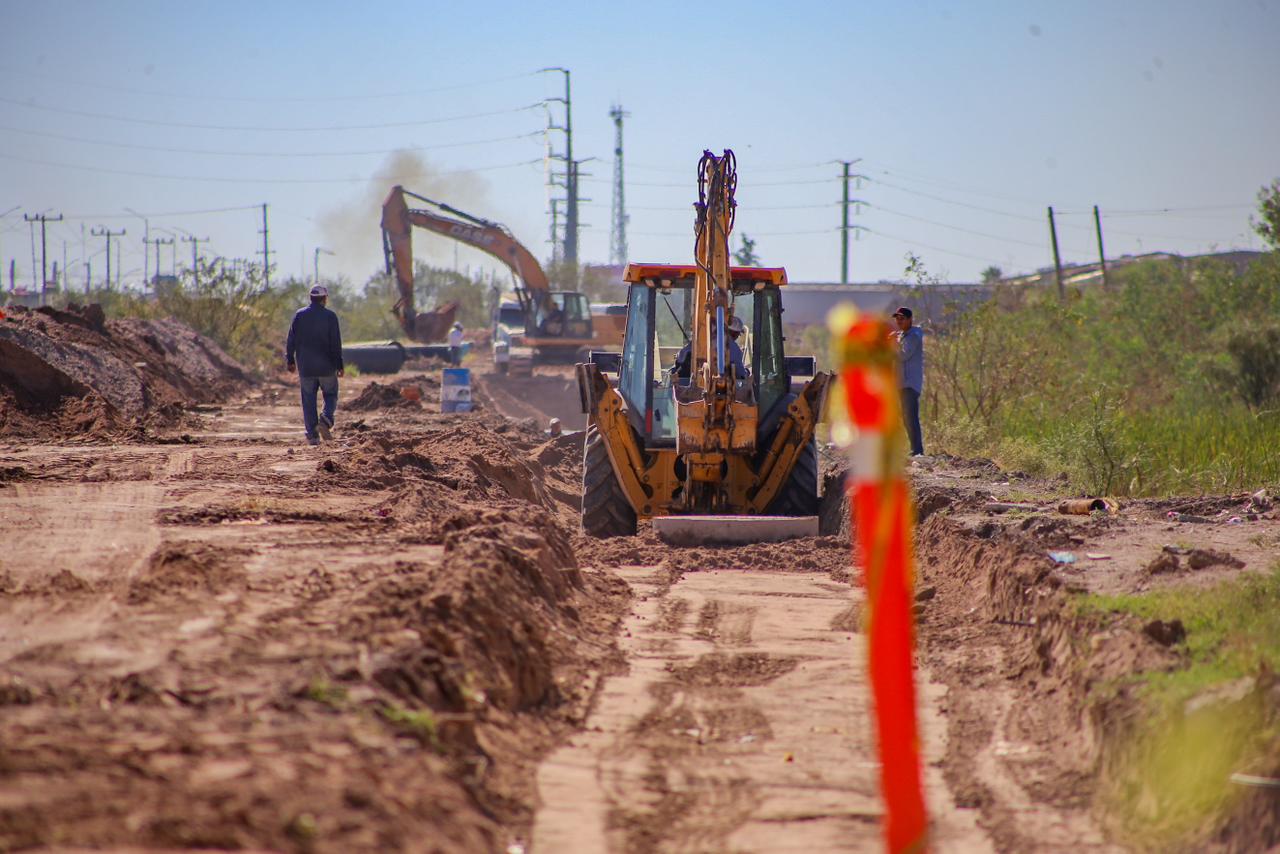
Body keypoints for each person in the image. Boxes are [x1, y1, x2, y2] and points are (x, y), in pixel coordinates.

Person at [285, 285, 344, 446]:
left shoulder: (299, 315)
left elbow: (291, 339)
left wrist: (290, 360)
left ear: (311, 298)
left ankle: (312, 436)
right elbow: (336, 343)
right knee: (331, 394)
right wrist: (339, 365)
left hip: (306, 368)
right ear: (324, 298)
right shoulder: (330, 316)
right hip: (327, 367)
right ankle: (325, 419)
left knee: (308, 400)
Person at [673, 314, 750, 381]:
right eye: (738, 335)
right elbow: (741, 374)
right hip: (721, 389)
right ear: (734, 333)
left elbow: (680, 358)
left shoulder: (699, 341)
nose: (737, 337)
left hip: (688, 384)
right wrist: (747, 372)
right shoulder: (734, 349)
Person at [891, 306, 925, 456]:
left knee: (910, 417)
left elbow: (903, 355)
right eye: (897, 319)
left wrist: (893, 343)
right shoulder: (902, 335)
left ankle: (917, 451)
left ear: (910, 319)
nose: (899, 321)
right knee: (905, 417)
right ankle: (913, 450)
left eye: (902, 318)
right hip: (901, 384)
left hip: (910, 383)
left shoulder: (913, 336)